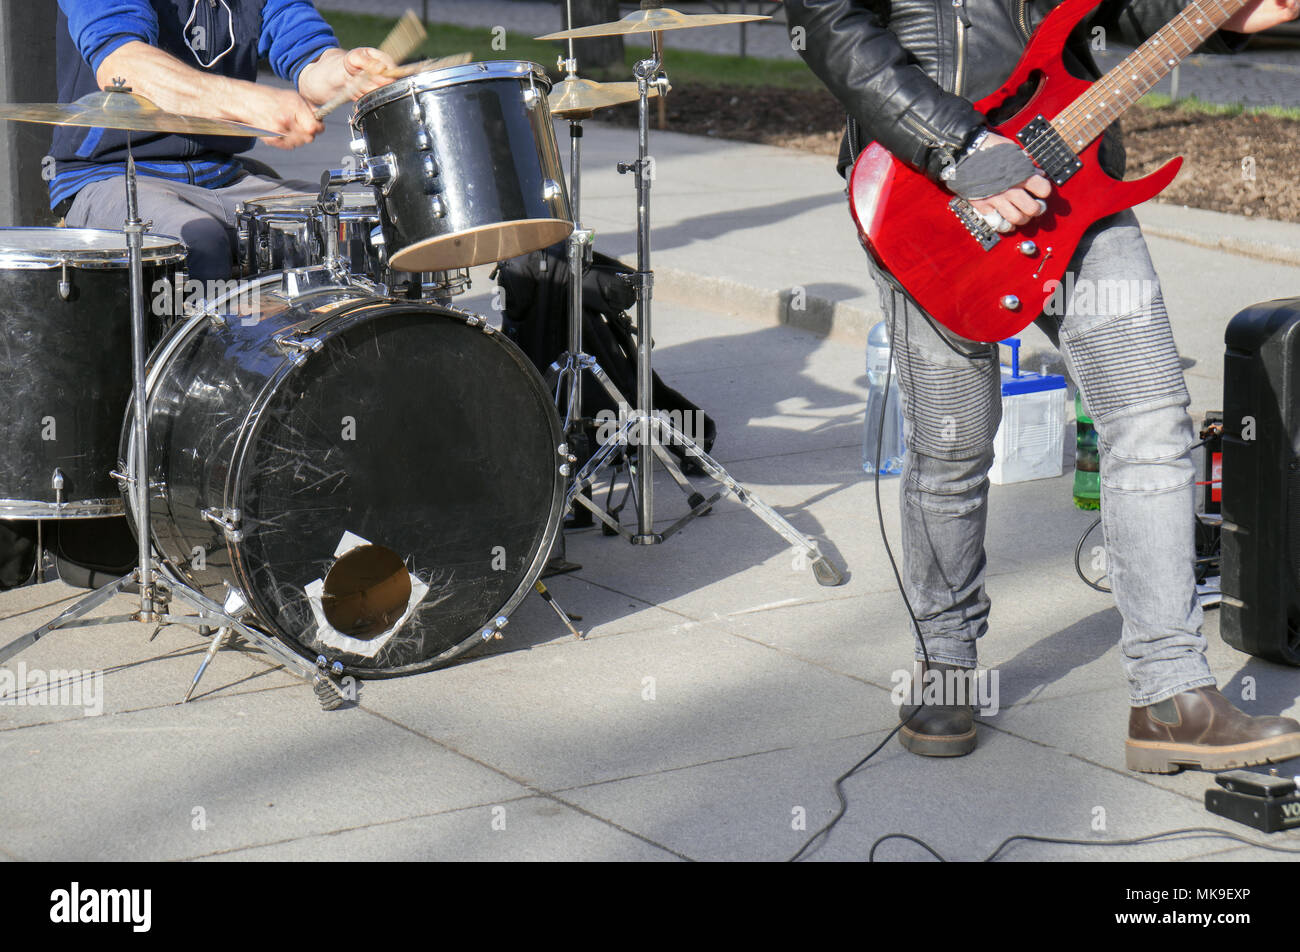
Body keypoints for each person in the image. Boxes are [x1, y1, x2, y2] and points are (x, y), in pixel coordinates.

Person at [786, 0, 1300, 772]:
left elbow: (1123, 8)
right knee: (954, 442)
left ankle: (1170, 696)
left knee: (1153, 421)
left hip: (1075, 168)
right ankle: (947, 664)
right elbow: (830, 22)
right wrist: (957, 146)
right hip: (929, 187)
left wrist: (1226, 14)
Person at [50, 0, 398, 280]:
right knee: (197, 243)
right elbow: (123, 65)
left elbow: (307, 53)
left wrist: (343, 69)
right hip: (115, 178)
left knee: (358, 226)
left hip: (225, 176)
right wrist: (249, 102)